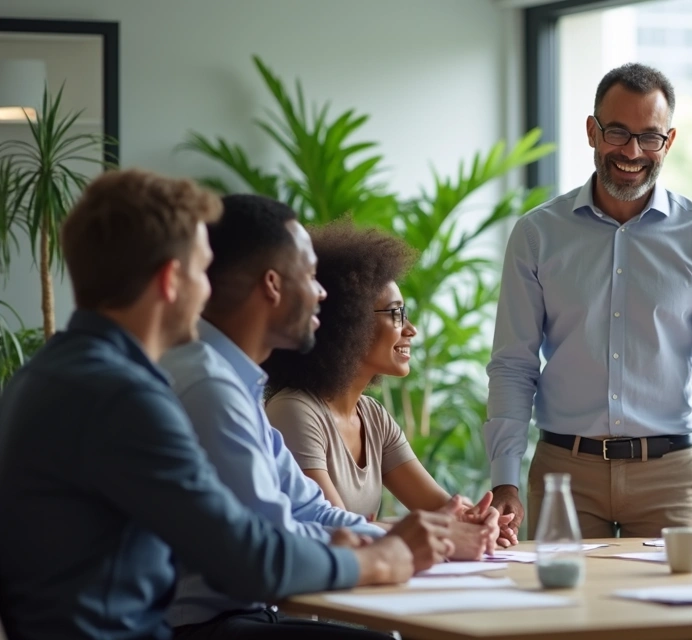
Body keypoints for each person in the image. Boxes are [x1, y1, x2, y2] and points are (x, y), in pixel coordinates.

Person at [0, 170, 450, 640]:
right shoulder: (126, 396)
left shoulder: (48, 375)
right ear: (172, 280)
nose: (210, 290)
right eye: (202, 270)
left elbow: (261, 530)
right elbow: (249, 559)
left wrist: (385, 544)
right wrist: (376, 559)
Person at [158, 194, 484, 638]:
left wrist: (417, 537)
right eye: (310, 275)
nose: (323, 294)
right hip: (203, 625)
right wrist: (387, 551)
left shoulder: (232, 381)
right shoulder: (210, 389)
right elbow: (272, 543)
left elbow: (308, 508)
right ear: (273, 285)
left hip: (243, 614)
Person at [484, 62, 692, 540]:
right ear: (592, 132)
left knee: (681, 592)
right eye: (617, 132)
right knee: (558, 592)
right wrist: (504, 479)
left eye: (649, 137)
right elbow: (513, 364)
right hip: (564, 474)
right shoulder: (537, 235)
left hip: (670, 477)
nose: (632, 152)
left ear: (668, 142)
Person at [262, 221, 516, 549]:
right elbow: (333, 528)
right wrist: (438, 529)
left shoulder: (373, 416)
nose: (411, 329)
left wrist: (478, 519)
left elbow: (442, 509)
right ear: (348, 321)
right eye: (396, 314)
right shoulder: (294, 411)